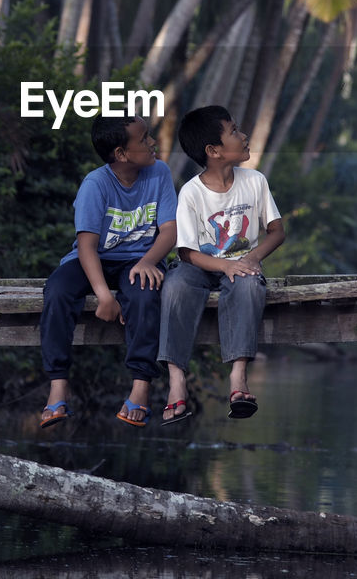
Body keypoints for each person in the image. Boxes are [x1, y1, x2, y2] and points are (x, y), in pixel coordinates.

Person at [39, 114, 177, 429]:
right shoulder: (95, 184)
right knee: (57, 291)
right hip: (94, 259)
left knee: (144, 294)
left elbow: (169, 232)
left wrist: (147, 262)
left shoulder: (159, 173)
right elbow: (86, 246)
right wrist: (103, 295)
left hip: (139, 259)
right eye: (144, 139)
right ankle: (58, 384)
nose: (153, 143)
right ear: (121, 154)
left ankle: (141, 386)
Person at [158, 106, 285, 423]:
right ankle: (176, 381)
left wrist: (250, 259)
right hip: (198, 267)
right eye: (235, 131)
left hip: (242, 265)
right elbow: (186, 252)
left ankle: (238, 377)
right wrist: (224, 265)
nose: (243, 136)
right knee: (173, 286)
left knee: (249, 286)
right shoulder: (191, 192)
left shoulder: (254, 181)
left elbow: (277, 231)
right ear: (214, 151)